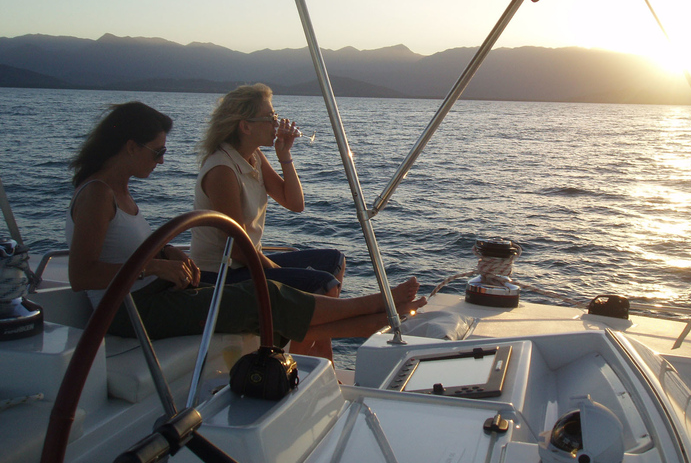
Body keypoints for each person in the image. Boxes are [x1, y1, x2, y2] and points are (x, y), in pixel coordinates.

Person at [66, 101, 425, 348]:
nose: (162, 161)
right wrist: (154, 266)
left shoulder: (120, 191)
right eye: (157, 152)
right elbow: (82, 275)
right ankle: (378, 306)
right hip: (129, 313)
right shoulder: (98, 194)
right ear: (130, 147)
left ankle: (377, 317)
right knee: (262, 295)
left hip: (155, 295)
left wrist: (169, 251)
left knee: (272, 296)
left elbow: (127, 248)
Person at [190, 84, 344, 359]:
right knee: (324, 285)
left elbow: (295, 204)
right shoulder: (222, 170)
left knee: (334, 261)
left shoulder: (253, 157)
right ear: (245, 126)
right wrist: (273, 267)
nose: (277, 123)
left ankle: (311, 358)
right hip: (221, 273)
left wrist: (284, 155)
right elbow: (237, 248)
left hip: (247, 260)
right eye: (270, 117)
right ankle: (303, 362)